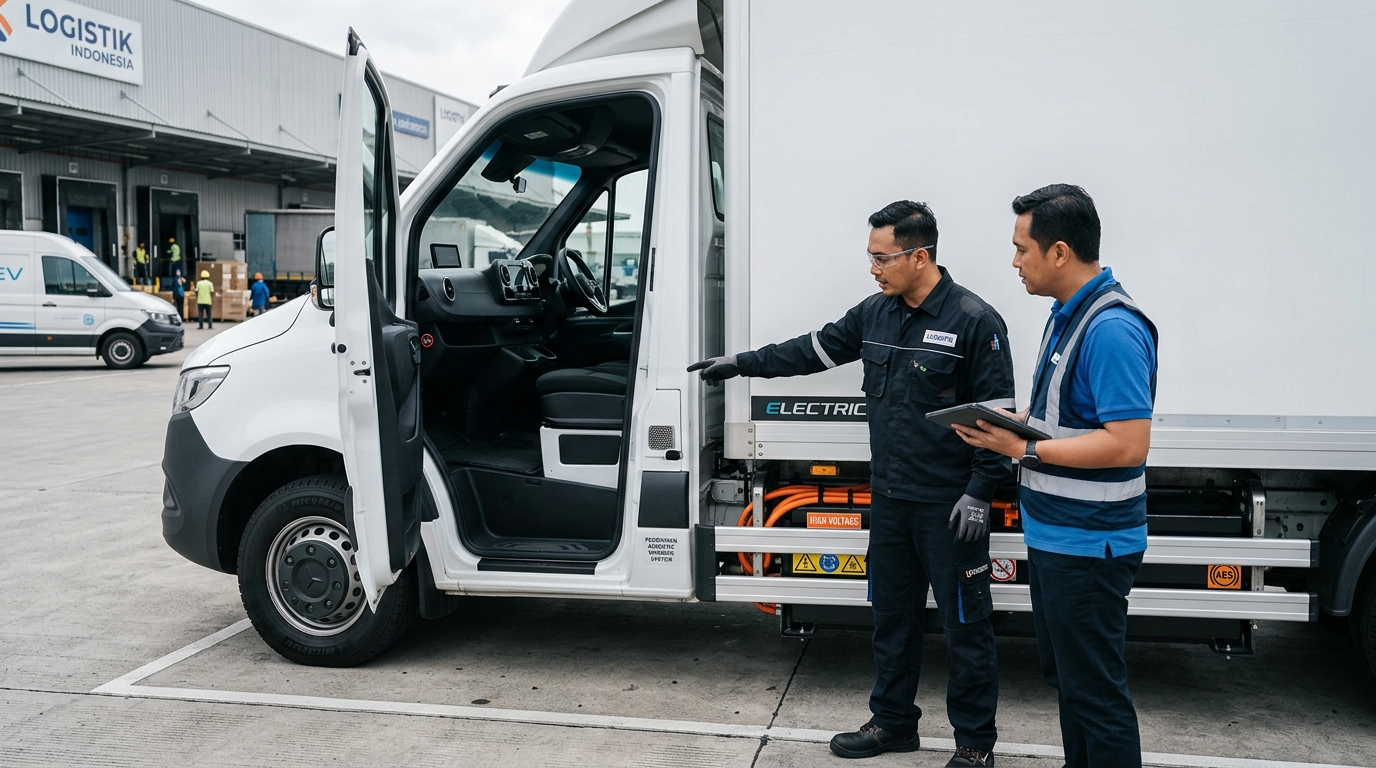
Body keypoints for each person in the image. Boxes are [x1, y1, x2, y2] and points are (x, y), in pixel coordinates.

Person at [689, 201, 1013, 767]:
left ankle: (975, 745)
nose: (873, 269)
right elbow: (810, 350)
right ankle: (893, 724)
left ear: (920, 255)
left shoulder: (973, 321)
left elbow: (999, 418)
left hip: (950, 504)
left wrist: (980, 492)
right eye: (870, 257)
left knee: (967, 624)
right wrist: (741, 363)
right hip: (890, 499)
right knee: (891, 616)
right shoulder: (874, 313)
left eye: (882, 258)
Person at [953, 184, 1157, 768]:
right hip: (1058, 538)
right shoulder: (1066, 317)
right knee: (1071, 686)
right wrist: (1014, 423)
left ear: (1060, 251)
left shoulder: (1112, 329)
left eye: (1022, 248)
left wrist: (1022, 449)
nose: (1014, 261)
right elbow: (1067, 420)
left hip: (1090, 544)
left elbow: (1126, 443)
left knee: (1096, 693)